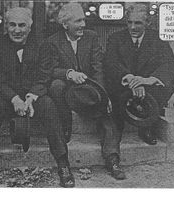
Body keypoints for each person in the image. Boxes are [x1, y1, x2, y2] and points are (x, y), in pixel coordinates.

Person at [0, 7, 74, 188]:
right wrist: (14, 99)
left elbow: (44, 75)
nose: (17, 30)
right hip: (7, 96)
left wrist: (32, 97)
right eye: (12, 25)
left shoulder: (42, 44)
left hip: (34, 95)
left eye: (22, 25)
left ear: (30, 27)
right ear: (6, 26)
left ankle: (63, 163)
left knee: (49, 105)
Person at [40, 3, 126, 180]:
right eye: (78, 21)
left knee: (105, 112)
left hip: (89, 89)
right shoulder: (52, 42)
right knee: (56, 85)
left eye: (83, 20)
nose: (83, 25)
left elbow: (98, 68)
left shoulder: (91, 37)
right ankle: (65, 123)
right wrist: (69, 74)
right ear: (65, 24)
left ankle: (112, 159)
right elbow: (48, 71)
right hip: (67, 91)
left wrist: (104, 95)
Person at [103, 3, 174, 145]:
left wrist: (148, 80)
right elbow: (110, 62)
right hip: (125, 83)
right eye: (129, 22)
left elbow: (170, 63)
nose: (132, 27)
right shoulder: (116, 38)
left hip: (149, 86)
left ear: (147, 23)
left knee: (166, 86)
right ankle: (118, 122)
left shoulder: (158, 39)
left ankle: (147, 126)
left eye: (138, 23)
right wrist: (131, 79)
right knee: (114, 86)